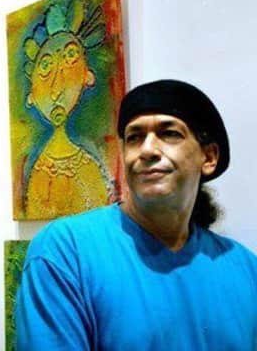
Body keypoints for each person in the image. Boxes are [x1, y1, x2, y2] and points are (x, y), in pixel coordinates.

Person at [15, 79, 257, 350]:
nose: (147, 150)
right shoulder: (65, 252)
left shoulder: (245, 268)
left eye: (170, 133)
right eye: (134, 137)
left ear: (209, 157)